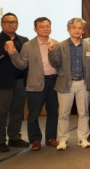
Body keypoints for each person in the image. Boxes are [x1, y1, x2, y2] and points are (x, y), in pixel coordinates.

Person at [8, 17, 59, 151]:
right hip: (35, 83)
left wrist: (52, 51)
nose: (45, 29)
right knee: (33, 114)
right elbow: (22, 64)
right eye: (42, 26)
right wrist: (13, 53)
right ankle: (35, 140)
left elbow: (59, 64)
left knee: (53, 112)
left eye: (48, 26)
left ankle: (51, 138)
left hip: (54, 82)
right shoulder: (28, 45)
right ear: (35, 29)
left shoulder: (57, 44)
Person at [48, 18, 90, 150]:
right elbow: (55, 63)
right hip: (66, 82)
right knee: (64, 113)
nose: (77, 30)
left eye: (80, 28)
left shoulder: (89, 46)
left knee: (84, 113)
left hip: (83, 82)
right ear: (68, 29)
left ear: (83, 30)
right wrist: (51, 51)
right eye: (74, 28)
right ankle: (63, 140)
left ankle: (82, 138)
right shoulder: (60, 45)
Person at [0, 12, 30, 152]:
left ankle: (14, 137)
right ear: (2, 24)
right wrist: (4, 51)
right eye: (8, 22)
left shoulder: (24, 40)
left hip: (20, 82)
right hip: (2, 83)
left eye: (14, 22)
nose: (11, 24)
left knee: (17, 112)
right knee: (0, 113)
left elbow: (26, 61)